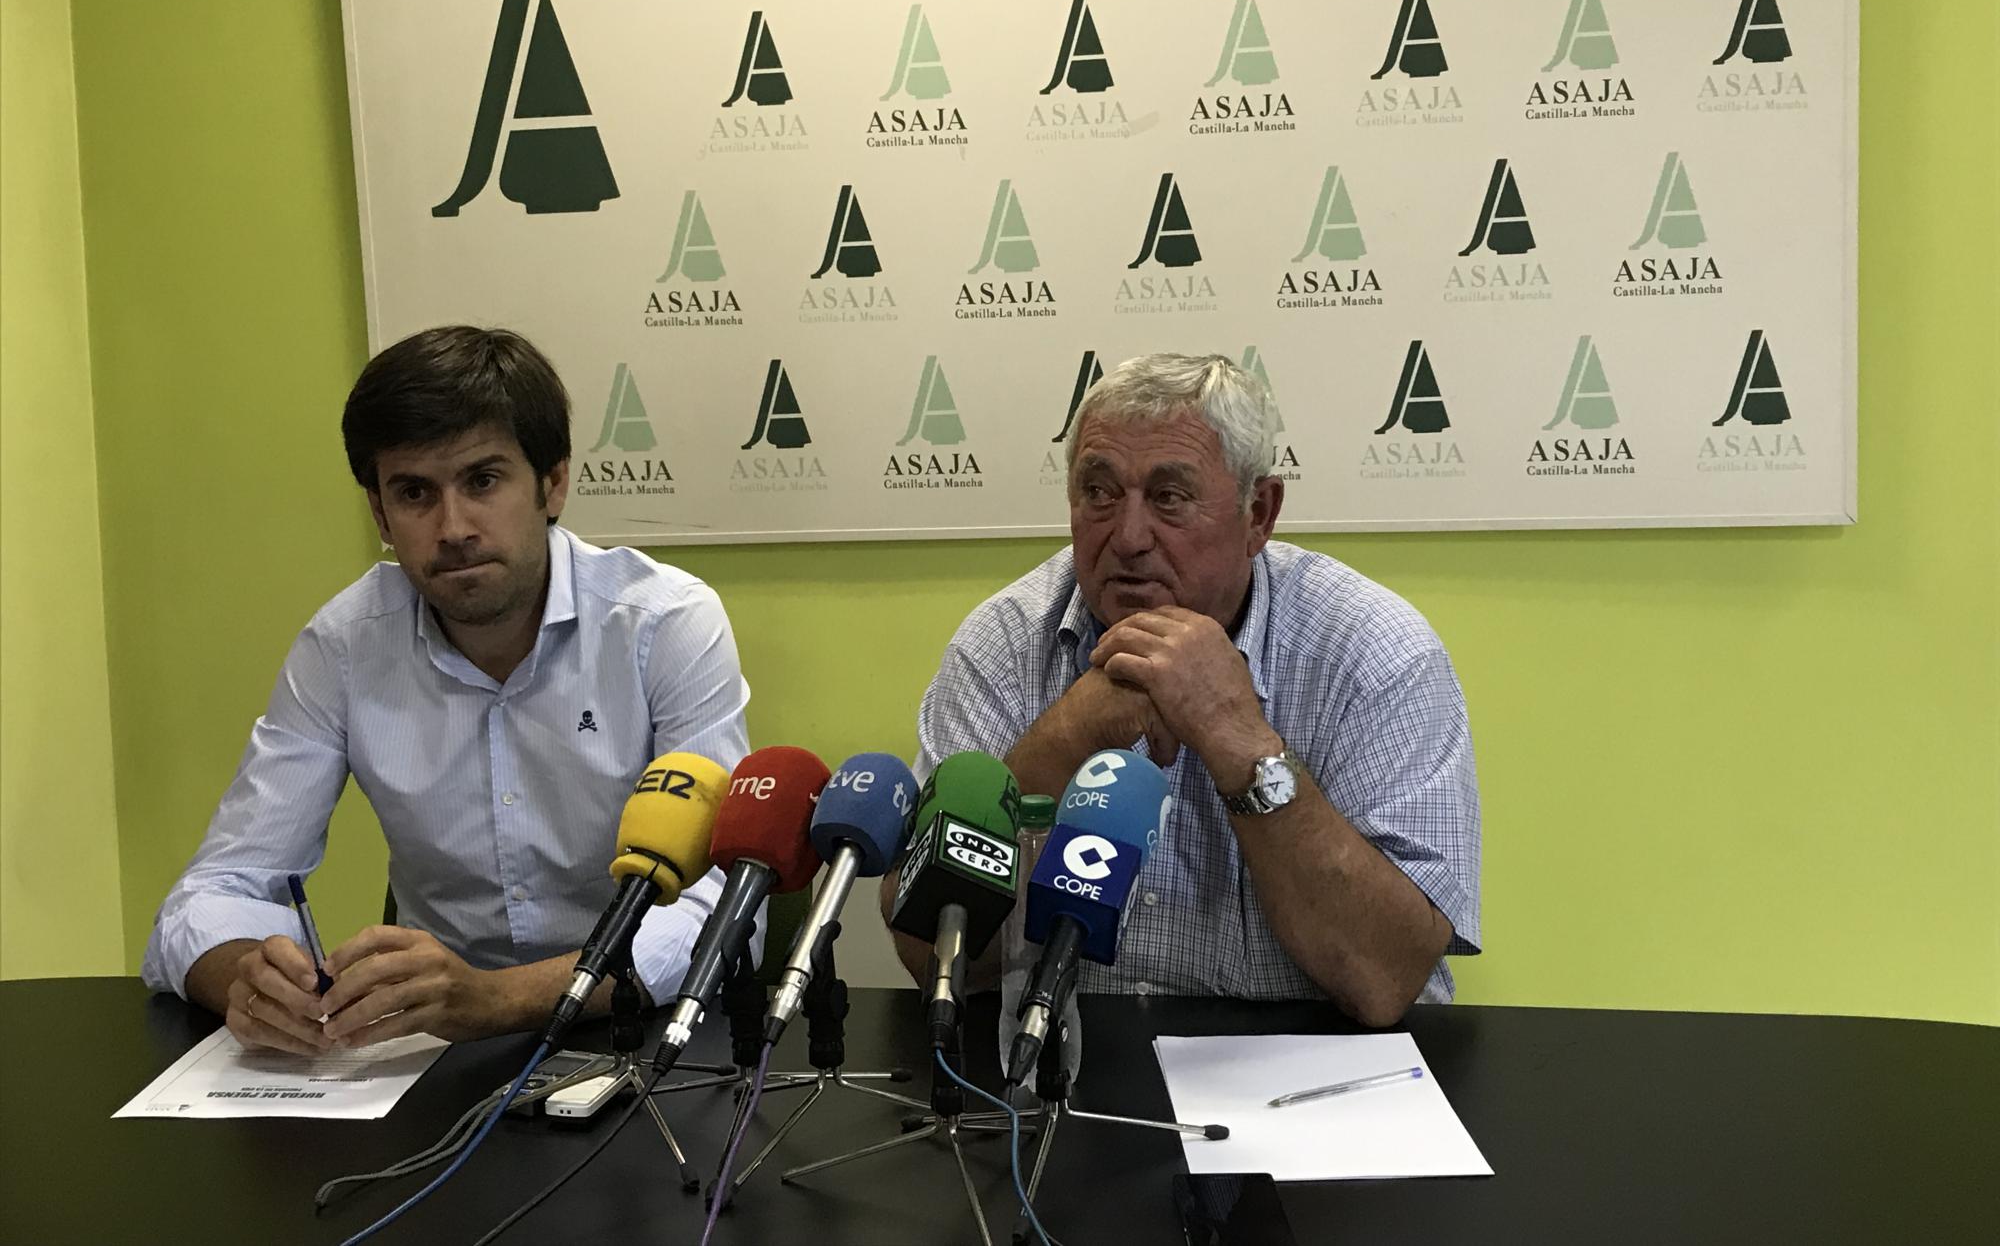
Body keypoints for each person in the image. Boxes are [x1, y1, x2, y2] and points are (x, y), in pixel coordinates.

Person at [142, 327, 751, 1055]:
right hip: (434, 1050)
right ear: (380, 514)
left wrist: (496, 999)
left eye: (483, 481)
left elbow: (721, 910)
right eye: (414, 493)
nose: (453, 527)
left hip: (649, 1033)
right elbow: (214, 890)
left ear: (553, 484)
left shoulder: (664, 624)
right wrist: (249, 981)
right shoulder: (343, 645)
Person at [887, 352, 1480, 1026]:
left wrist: (1237, 738)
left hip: (1310, 1067)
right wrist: (1067, 736)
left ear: (1258, 514)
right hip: (1065, 1055)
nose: (1129, 537)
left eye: (1169, 498)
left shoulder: (1375, 652)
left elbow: (1385, 977)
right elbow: (931, 956)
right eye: (1099, 492)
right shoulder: (1003, 643)